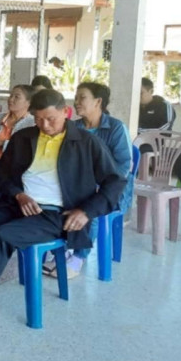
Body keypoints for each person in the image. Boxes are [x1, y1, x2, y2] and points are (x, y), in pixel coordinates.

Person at [0, 90, 125, 336]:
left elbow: (115, 182)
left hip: (58, 215)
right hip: (19, 205)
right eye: (38, 119)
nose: (44, 125)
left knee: (2, 235)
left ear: (65, 112)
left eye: (51, 119)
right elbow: (2, 175)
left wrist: (86, 211)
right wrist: (19, 194)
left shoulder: (86, 142)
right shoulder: (24, 137)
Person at [45, 82, 132, 278]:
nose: (76, 102)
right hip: (78, 186)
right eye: (76, 97)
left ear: (98, 101)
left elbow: (123, 167)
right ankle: (62, 252)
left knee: (89, 204)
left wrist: (98, 187)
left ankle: (77, 258)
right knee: (54, 201)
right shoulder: (73, 127)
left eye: (82, 97)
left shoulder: (115, 128)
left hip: (109, 191)